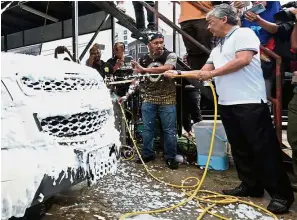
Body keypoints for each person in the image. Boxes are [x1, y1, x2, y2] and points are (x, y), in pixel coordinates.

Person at [164, 4, 294, 213]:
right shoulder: (218, 47)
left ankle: (281, 195)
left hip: (249, 101)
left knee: (263, 148)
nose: (208, 27)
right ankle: (251, 185)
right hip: (227, 103)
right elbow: (203, 71)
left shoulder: (243, 34)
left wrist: (213, 75)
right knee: (240, 147)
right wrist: (179, 74)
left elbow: (242, 60)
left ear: (224, 19)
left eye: (210, 22)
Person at [131, 32, 179, 169]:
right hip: (149, 99)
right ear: (149, 45)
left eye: (161, 42)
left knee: (169, 130)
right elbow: (137, 77)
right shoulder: (144, 59)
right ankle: (148, 154)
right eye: (155, 43)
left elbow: (168, 68)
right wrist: (128, 92)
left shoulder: (170, 55)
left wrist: (144, 70)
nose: (159, 45)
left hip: (167, 98)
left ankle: (170, 157)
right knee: (147, 129)